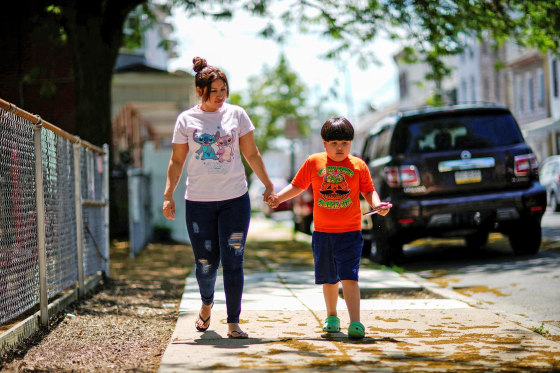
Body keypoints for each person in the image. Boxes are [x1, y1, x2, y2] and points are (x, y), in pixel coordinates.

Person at [163, 56, 276, 339]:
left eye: (223, 90)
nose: (220, 96)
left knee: (234, 259)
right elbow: (177, 161)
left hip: (235, 199)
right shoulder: (186, 120)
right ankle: (206, 303)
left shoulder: (237, 115)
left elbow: (251, 153)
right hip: (198, 203)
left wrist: (268, 184)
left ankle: (234, 322)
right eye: (214, 91)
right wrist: (168, 195)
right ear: (201, 91)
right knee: (205, 263)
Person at [267, 117, 391, 339]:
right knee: (329, 278)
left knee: (350, 277)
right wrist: (277, 197)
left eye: (345, 142)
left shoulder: (358, 165)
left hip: (351, 232)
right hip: (323, 233)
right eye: (334, 143)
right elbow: (297, 186)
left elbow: (369, 191)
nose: (340, 147)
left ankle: (356, 322)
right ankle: (332, 316)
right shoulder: (314, 162)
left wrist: (377, 204)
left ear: (351, 143)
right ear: (324, 143)